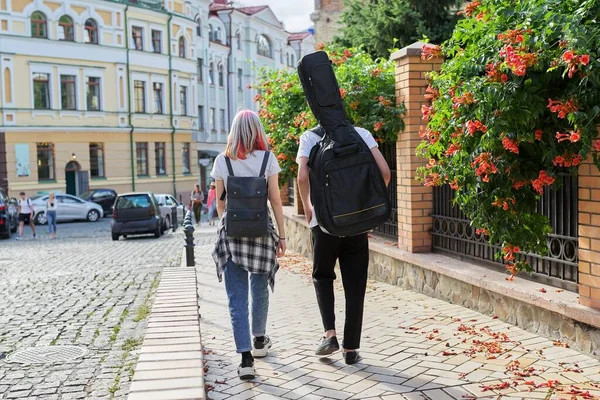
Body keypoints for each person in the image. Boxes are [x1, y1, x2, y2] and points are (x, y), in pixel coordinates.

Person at [296, 126, 391, 365]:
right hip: (356, 223)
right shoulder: (361, 134)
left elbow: (302, 176)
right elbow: (385, 173)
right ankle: (350, 349)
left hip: (325, 223)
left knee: (323, 276)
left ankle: (330, 335)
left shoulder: (310, 137)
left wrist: (308, 206)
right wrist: (367, 207)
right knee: (355, 284)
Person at [211, 110, 287, 380]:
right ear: (258, 131)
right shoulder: (268, 159)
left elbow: (221, 203)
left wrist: (229, 222)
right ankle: (259, 341)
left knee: (236, 297)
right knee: (260, 287)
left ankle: (245, 359)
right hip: (261, 234)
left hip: (231, 235)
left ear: (234, 130)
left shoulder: (222, 161)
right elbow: (276, 200)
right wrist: (283, 235)